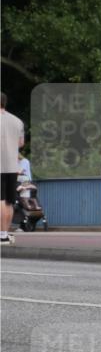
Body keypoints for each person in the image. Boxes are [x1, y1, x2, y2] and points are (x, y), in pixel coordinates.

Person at [0, 93, 25, 246]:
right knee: (9, 201)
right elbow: (20, 143)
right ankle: (4, 234)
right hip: (12, 166)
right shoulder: (17, 121)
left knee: (0, 200)